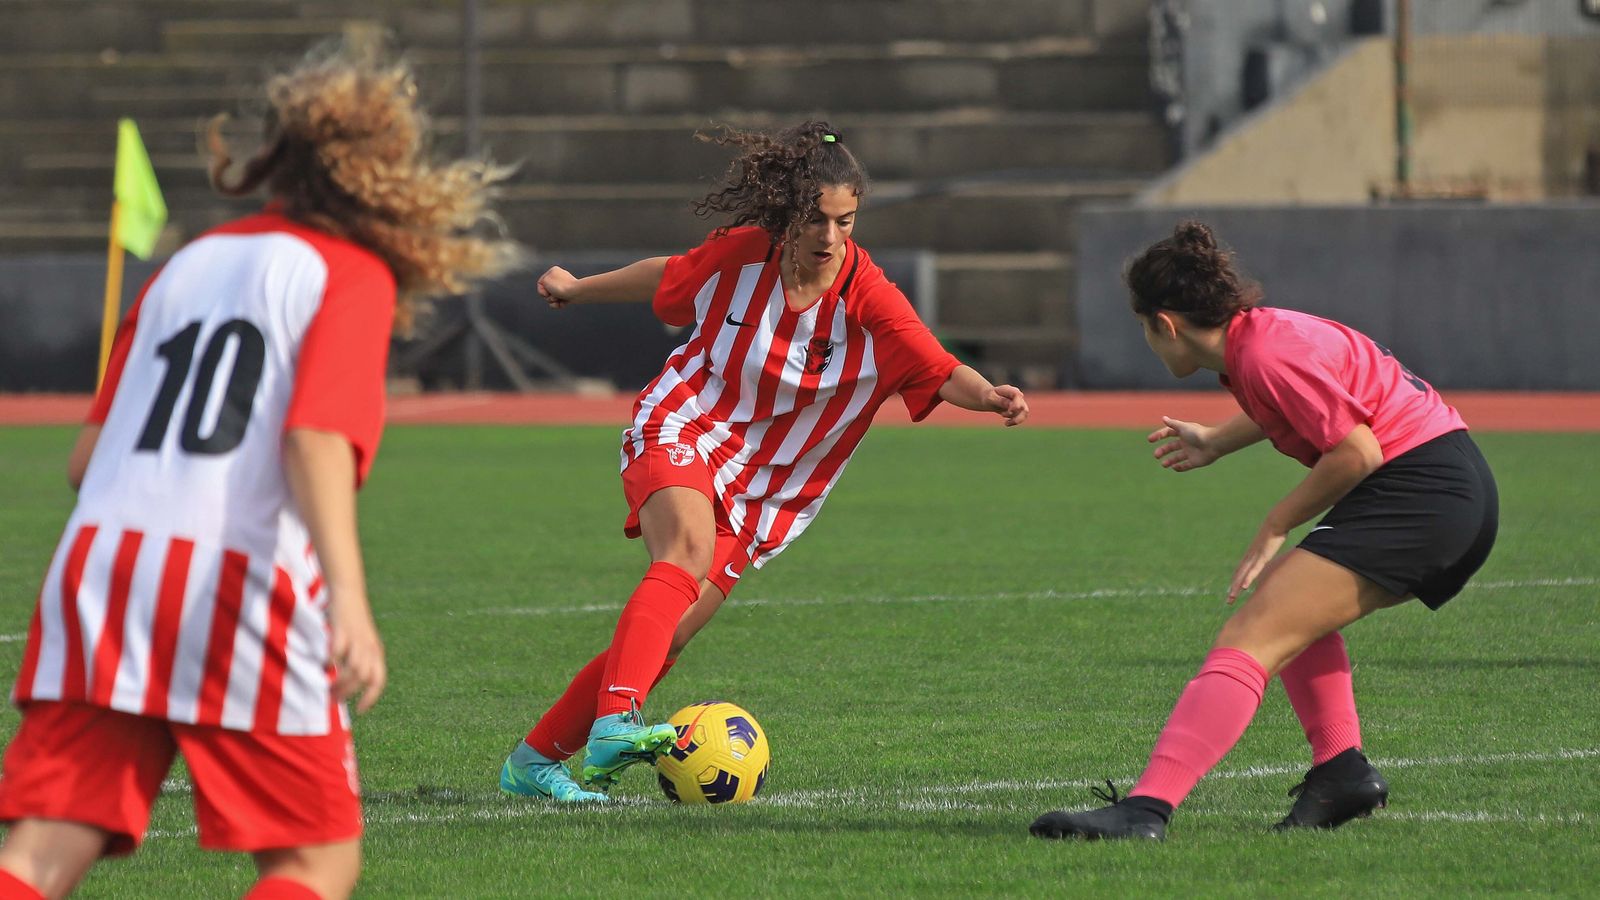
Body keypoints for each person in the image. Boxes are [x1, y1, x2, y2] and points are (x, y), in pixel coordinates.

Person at [0, 41, 519, 899]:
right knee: (314, 862)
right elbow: (314, 439)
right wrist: (349, 599)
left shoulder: (185, 264)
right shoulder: (348, 273)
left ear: (277, 156)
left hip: (100, 566)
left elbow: (85, 460)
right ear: (382, 174)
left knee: (38, 854)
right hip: (231, 578)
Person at [499, 121, 1030, 802]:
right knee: (686, 552)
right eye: (816, 218)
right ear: (789, 213)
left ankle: (534, 763)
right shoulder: (744, 253)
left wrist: (987, 395)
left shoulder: (868, 295)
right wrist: (578, 287)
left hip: (764, 489)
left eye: (846, 220)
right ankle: (615, 721)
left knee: (669, 638)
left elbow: (933, 363)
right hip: (684, 419)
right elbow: (670, 275)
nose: (831, 235)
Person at [1029, 221, 1498, 840]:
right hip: (1444, 485)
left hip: (1424, 492)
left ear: (1165, 324)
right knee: (1287, 614)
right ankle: (1341, 773)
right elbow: (1300, 401)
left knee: (1251, 637)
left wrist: (1275, 523)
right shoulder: (1262, 336)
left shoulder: (1266, 353)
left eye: (1144, 330)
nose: (1149, 342)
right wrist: (1219, 440)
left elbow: (1356, 450)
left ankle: (1146, 810)